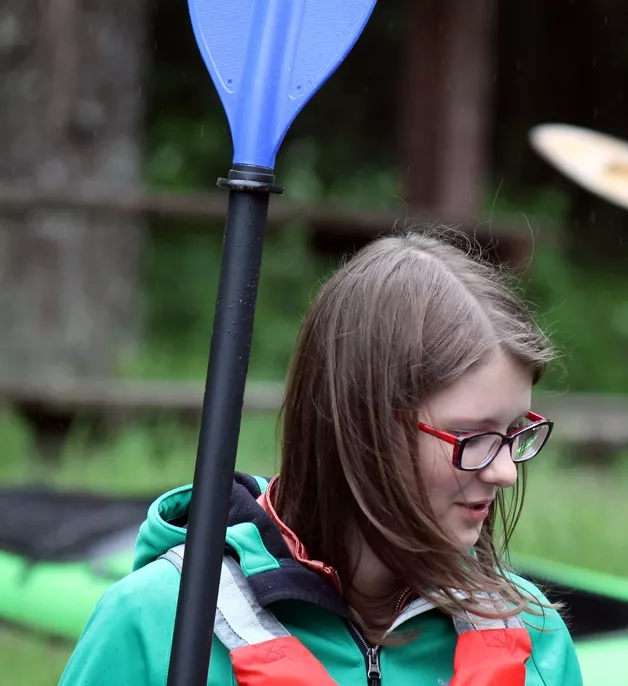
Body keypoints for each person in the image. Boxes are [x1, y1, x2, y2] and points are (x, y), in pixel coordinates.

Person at [57, 231, 584, 686]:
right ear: (363, 428)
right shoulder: (155, 624)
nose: (504, 472)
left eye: (514, 432)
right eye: (471, 437)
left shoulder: (530, 632)